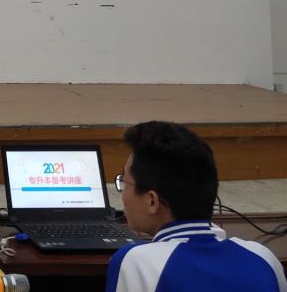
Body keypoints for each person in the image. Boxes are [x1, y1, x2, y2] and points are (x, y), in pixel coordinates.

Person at [106, 120, 286, 292]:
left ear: (152, 201)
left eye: (124, 182)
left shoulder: (136, 262)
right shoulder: (264, 258)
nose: (122, 192)